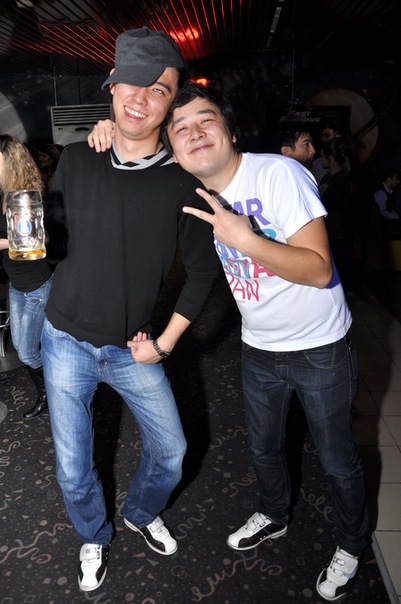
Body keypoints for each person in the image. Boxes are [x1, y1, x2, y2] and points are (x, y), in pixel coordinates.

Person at [89, 85, 371, 600]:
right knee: (263, 448)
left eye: (206, 119)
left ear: (231, 130)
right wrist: (109, 130)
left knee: (337, 459)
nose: (195, 132)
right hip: (258, 347)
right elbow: (128, 166)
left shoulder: (277, 174)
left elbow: (320, 269)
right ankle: (274, 513)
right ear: (173, 150)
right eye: (181, 128)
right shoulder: (191, 188)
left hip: (321, 348)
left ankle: (352, 544)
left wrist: (247, 240)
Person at [41, 28, 219, 593]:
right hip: (64, 339)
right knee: (73, 468)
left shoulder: (184, 183)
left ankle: (142, 512)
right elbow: (48, 242)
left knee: (172, 452)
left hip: (132, 347)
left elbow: (204, 272)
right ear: (112, 86)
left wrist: (164, 344)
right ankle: (93, 533)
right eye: (131, 83)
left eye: (158, 89)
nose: (140, 98)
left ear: (170, 103)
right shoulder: (76, 158)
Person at [0, 134, 53, 420]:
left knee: (28, 352)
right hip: (16, 283)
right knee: (23, 347)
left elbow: (37, 242)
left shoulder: (27, 196)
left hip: (36, 285)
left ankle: (55, 392)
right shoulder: (3, 194)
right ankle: (50, 394)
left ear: (11, 162)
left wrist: (5, 242)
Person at [319, 137, 356, 291]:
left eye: (323, 155)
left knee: (340, 272)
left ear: (331, 157)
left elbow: (324, 203)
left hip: (339, 232)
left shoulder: (341, 179)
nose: (320, 159)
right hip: (330, 231)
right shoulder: (327, 177)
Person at [373, 168, 401, 239]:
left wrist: (397, 218)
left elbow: (391, 209)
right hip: (379, 227)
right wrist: (396, 219)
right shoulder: (381, 192)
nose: (398, 181)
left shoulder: (390, 191)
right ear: (389, 179)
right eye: (396, 179)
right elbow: (382, 212)